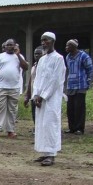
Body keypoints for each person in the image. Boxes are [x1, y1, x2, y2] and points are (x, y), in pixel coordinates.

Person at [31, 32, 66, 166]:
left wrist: (43, 95)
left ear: (52, 41)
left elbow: (55, 80)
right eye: (42, 40)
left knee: (51, 124)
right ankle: (44, 152)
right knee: (41, 124)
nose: (43, 43)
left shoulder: (59, 58)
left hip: (51, 98)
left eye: (46, 40)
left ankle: (51, 154)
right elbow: (37, 79)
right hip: (40, 98)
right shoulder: (42, 59)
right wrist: (36, 95)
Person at [0, 38, 28, 137]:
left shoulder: (19, 56)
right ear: (4, 47)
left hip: (14, 87)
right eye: (7, 45)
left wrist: (18, 55)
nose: (9, 47)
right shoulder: (0, 57)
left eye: (11, 45)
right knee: (0, 108)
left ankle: (10, 130)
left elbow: (26, 67)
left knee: (12, 109)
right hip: (1, 87)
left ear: (15, 46)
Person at [64, 40, 93, 134]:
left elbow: (90, 69)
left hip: (81, 85)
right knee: (70, 108)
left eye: (68, 45)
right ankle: (72, 127)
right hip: (70, 85)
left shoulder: (83, 56)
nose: (66, 47)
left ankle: (79, 128)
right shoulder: (68, 57)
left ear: (74, 46)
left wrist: (88, 82)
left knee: (79, 108)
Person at [25, 47, 44, 127]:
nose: (37, 55)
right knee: (34, 113)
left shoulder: (45, 67)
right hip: (33, 94)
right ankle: (36, 128)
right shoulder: (33, 67)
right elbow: (30, 81)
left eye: (39, 54)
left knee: (41, 114)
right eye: (35, 54)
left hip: (41, 95)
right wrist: (27, 95)